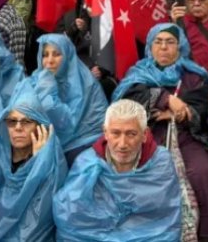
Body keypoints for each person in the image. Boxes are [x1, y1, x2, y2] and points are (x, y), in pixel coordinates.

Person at [111, 24, 208, 239]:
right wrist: (166, 98)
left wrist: (182, 113)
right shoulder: (138, 73)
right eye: (158, 42)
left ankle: (204, 235)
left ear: (180, 46)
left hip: (186, 137)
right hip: (146, 138)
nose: (164, 47)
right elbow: (129, 98)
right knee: (148, 175)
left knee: (202, 172)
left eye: (170, 42)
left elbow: (202, 106)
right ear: (150, 47)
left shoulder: (195, 75)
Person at [53, 99, 182, 241]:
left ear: (144, 134)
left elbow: (165, 221)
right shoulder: (87, 164)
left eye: (131, 134)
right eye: (115, 133)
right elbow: (70, 219)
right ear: (105, 133)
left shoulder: (160, 163)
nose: (122, 144)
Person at [0, 85, 66, 242]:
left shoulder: (52, 161)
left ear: (39, 127)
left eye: (26, 121)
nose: (18, 128)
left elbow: (38, 216)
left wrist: (37, 164)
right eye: (12, 121)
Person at [24, 33, 107, 163]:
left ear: (68, 56)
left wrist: (48, 93)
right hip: (43, 143)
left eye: (56, 54)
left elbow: (67, 124)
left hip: (81, 146)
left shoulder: (86, 83)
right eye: (45, 55)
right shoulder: (36, 80)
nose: (50, 61)